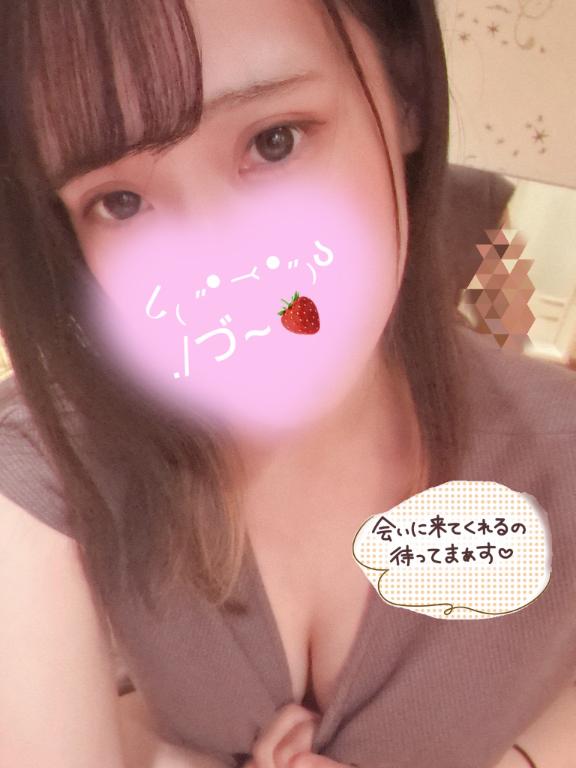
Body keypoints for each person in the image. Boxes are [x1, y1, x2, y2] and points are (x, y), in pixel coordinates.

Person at [0, 1, 575, 768]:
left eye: (275, 141)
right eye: (120, 202)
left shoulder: (556, 452)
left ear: (404, 88)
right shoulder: (45, 466)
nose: (220, 271)